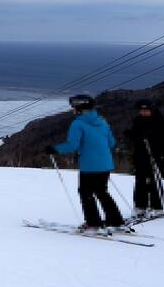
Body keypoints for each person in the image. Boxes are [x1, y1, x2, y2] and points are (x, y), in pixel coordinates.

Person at [45, 94, 125, 231]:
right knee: (102, 192)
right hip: (105, 164)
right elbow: (111, 143)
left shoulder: (78, 123)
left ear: (79, 108)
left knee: (85, 193)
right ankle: (116, 220)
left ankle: (93, 223)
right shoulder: (102, 121)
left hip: (89, 165)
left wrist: (54, 149)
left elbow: (73, 145)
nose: (73, 110)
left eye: (74, 107)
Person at [124, 99, 164, 217]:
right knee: (140, 180)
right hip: (141, 154)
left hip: (156, 155)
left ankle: (157, 207)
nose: (143, 112)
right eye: (141, 110)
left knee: (154, 180)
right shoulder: (138, 120)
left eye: (146, 110)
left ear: (152, 109)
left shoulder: (162, 121)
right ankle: (140, 206)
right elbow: (137, 137)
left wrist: (155, 140)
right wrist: (131, 135)